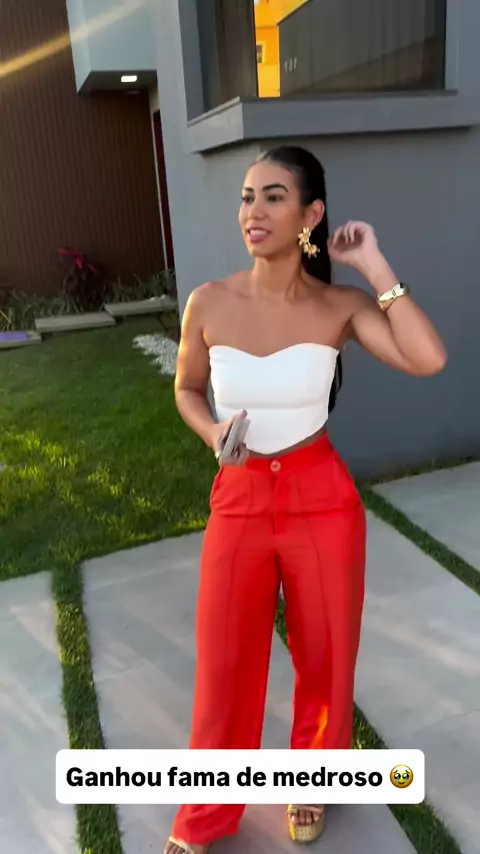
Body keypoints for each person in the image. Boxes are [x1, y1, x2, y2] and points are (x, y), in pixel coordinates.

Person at [165, 145, 447, 854]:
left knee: (325, 655)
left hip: (321, 498)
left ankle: (312, 781)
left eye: (273, 197)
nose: (253, 212)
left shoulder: (340, 306)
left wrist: (373, 265)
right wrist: (211, 432)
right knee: (224, 663)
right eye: (246, 197)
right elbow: (187, 388)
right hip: (239, 498)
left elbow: (428, 358)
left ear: (310, 214)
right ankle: (203, 816)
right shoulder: (208, 302)